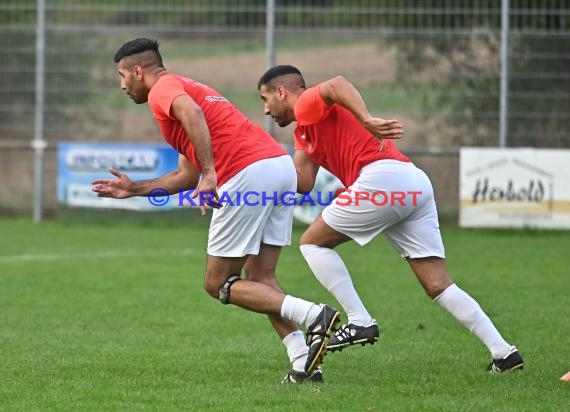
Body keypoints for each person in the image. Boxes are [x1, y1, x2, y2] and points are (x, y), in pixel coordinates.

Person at [91, 38, 341, 383]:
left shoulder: (164, 89)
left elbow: (193, 123)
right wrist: (135, 189)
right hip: (278, 168)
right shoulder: (189, 87)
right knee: (262, 277)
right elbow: (185, 173)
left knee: (218, 283)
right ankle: (303, 363)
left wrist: (211, 175)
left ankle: (316, 315)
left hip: (247, 173)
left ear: (138, 71)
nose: (122, 85)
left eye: (122, 75)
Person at [257, 65, 524, 373]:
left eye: (265, 99)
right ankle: (504, 354)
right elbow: (303, 181)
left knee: (312, 244)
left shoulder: (304, 103)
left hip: (382, 178)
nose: (266, 110)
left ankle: (360, 321)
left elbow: (336, 84)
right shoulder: (303, 131)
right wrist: (260, 173)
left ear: (281, 92)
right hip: (412, 183)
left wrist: (367, 119)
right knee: (437, 283)